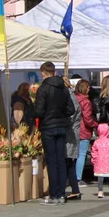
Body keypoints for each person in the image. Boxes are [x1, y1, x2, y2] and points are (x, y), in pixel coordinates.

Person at [33, 62, 76, 205]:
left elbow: (39, 111)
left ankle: (54, 195)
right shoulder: (63, 88)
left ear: (43, 73)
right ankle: (61, 194)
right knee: (61, 161)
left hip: (48, 128)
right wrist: (60, 113)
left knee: (52, 161)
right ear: (54, 71)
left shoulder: (43, 89)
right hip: (62, 126)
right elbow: (71, 110)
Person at [73, 80, 97, 187]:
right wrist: (96, 124)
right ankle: (78, 178)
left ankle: (72, 178)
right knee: (81, 155)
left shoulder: (73, 98)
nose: (89, 89)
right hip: (83, 130)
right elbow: (87, 119)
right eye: (87, 87)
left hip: (73, 129)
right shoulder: (85, 101)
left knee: (72, 155)